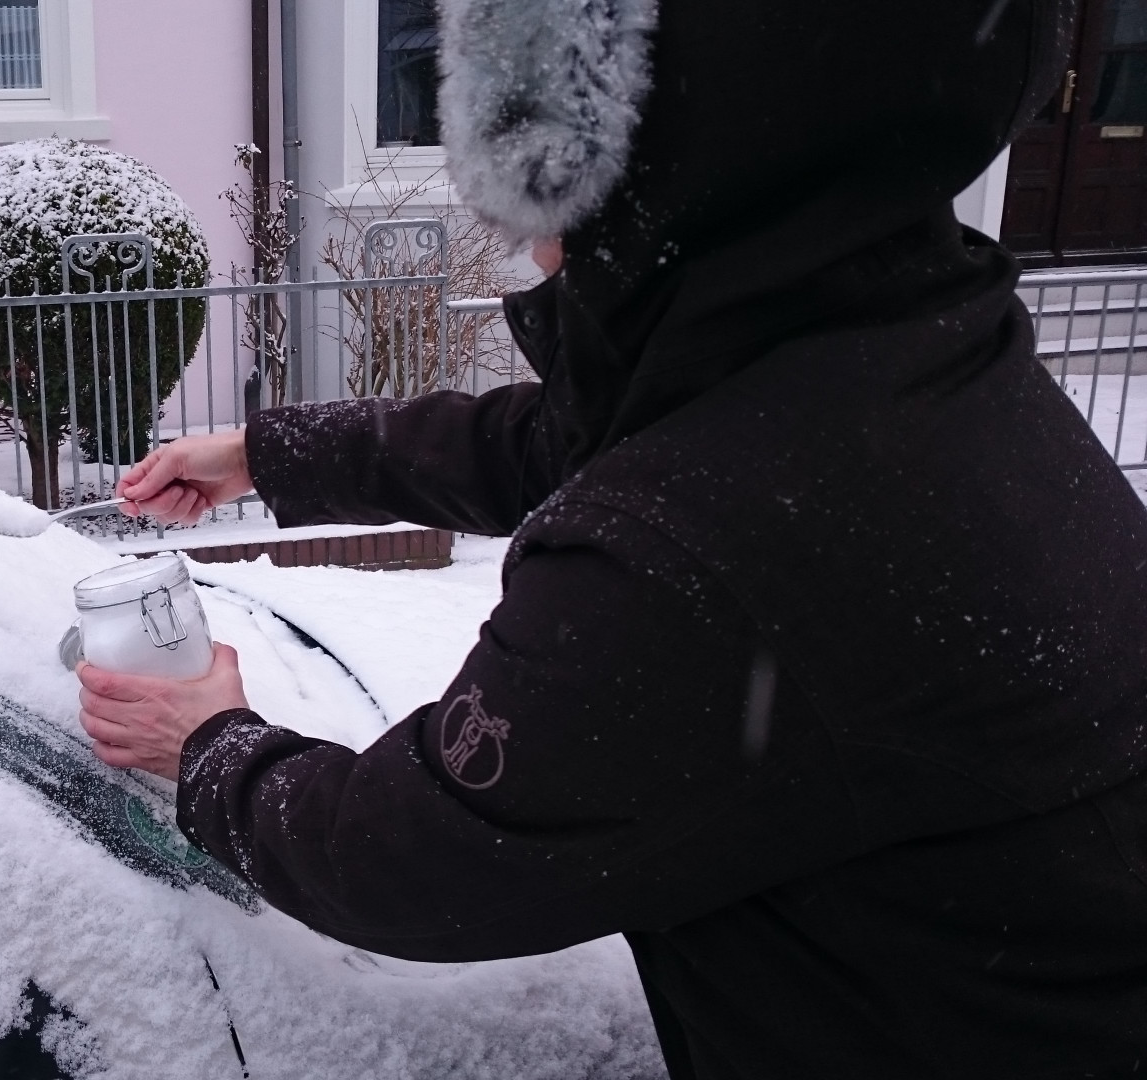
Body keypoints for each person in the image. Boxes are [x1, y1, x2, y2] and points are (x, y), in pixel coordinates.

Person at [74, 1, 1147, 1076]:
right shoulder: (884, 338)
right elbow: (568, 441)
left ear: (648, 170)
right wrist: (269, 455)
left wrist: (210, 746)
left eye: (541, 171)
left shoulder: (708, 548)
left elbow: (423, 859)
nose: (522, 230)